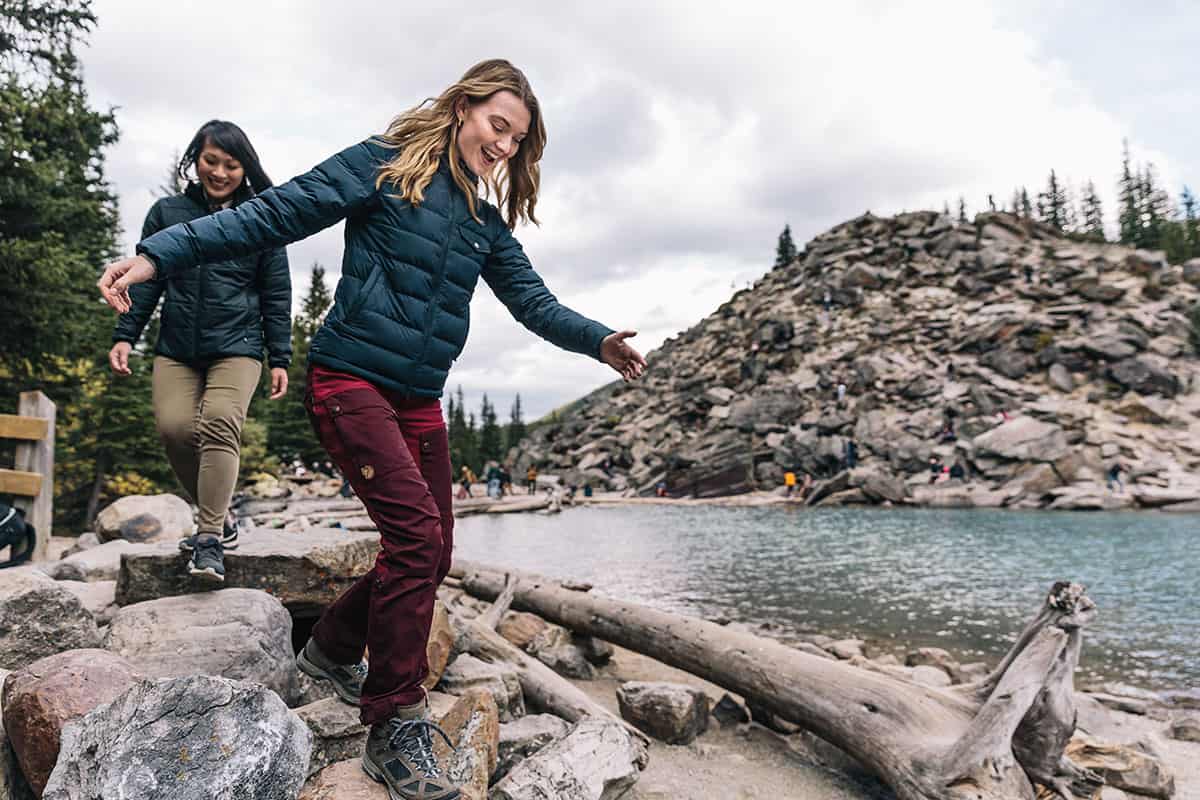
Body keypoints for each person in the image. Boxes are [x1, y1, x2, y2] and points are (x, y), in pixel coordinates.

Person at [97, 60, 647, 800]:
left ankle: (328, 649)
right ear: (462, 109)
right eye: (497, 126)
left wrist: (597, 340)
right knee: (417, 539)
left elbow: (532, 302)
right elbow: (272, 215)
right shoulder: (381, 167)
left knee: (432, 546)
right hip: (348, 380)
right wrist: (157, 253)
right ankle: (394, 721)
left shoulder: (483, 223)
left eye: (517, 140)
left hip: (417, 399)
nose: (504, 147)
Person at [109, 120, 291, 582]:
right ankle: (223, 514)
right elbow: (146, 283)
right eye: (211, 161)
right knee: (173, 429)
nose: (220, 172)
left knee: (220, 421)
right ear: (195, 159)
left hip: (239, 345)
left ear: (245, 168)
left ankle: (209, 538)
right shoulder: (167, 213)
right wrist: (126, 333)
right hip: (177, 346)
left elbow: (276, 292)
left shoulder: (262, 216)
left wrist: (280, 356)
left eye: (231, 165)